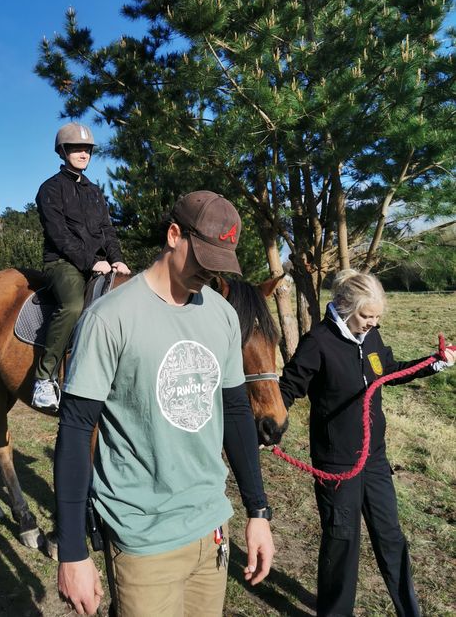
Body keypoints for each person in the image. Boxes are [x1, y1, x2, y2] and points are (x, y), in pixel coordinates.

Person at [54, 191, 275, 617]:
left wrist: (258, 510)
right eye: (203, 260)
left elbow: (235, 412)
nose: (209, 275)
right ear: (174, 235)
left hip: (211, 531)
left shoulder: (222, 315)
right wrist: (72, 552)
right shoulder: (110, 318)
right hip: (143, 540)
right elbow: (77, 428)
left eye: (219, 265)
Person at [279, 269, 456, 617]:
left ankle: (410, 611)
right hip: (337, 464)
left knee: (391, 537)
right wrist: (265, 426)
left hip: (374, 459)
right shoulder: (318, 341)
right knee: (342, 542)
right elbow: (289, 388)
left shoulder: (372, 338)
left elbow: (391, 369)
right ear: (345, 306)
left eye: (377, 318)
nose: (372, 324)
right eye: (366, 316)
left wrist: (434, 362)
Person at [32, 122, 130, 411]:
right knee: (73, 306)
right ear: (63, 151)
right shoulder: (49, 189)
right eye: (76, 148)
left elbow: (107, 230)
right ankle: (44, 378)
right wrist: (91, 262)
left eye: (86, 149)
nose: (83, 153)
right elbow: (58, 234)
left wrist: (117, 258)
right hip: (62, 263)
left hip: (100, 263)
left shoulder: (95, 192)